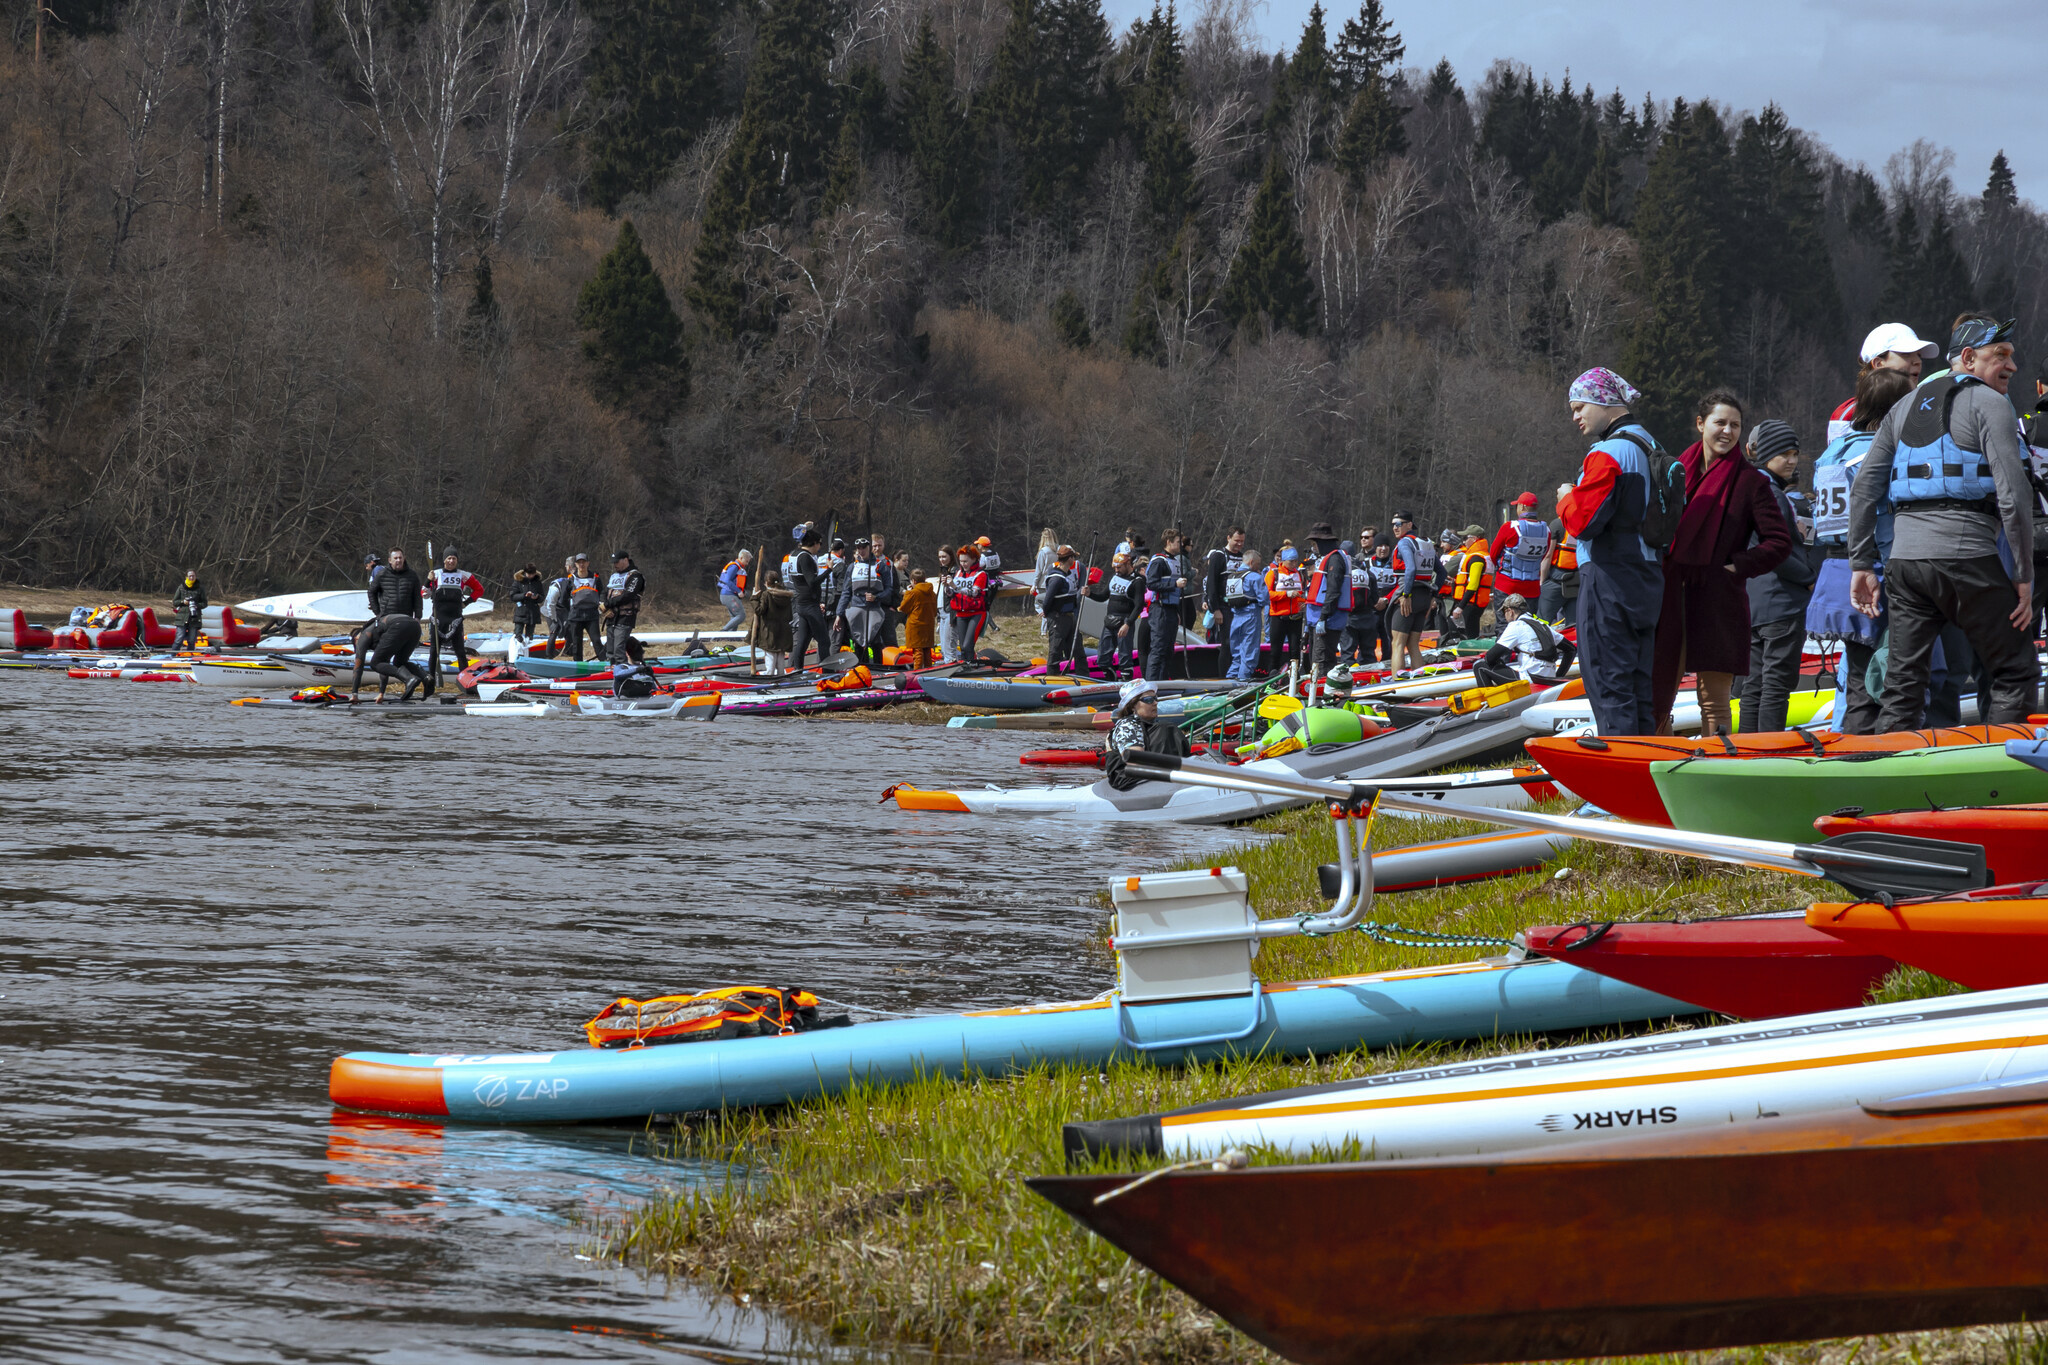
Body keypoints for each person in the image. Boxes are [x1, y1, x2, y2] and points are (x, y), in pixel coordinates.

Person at [1850, 316, 2037, 729]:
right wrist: (2023, 574)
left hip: (1906, 568)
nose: (2012, 366)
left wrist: (1861, 564)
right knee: (2014, 669)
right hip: (1967, 558)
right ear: (1969, 358)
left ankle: (1890, 776)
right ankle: (2001, 774)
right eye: (2000, 356)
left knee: (1902, 685)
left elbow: (1864, 489)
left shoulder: (1902, 406)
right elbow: (2013, 494)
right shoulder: (1990, 403)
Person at [1649, 390, 1792, 737]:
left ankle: (1719, 768)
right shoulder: (1673, 472)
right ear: (1701, 424)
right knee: (1658, 696)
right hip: (1669, 595)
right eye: (1720, 422)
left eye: (1735, 425)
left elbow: (1779, 541)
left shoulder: (1751, 482)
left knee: (1713, 701)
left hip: (1718, 600)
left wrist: (1737, 566)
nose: (1727, 431)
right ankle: (1657, 768)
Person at [1558, 367, 1667, 737]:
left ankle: (1620, 788)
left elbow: (1583, 523)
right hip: (1648, 579)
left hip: (1608, 580)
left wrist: (1565, 498)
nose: (1575, 416)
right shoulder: (1652, 445)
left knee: (1609, 687)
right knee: (1639, 690)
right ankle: (1645, 778)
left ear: (1602, 400)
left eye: (1578, 406)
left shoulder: (1608, 453)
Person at [1806, 367, 1913, 733]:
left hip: (1835, 570)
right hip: (1874, 572)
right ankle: (1871, 760)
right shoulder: (1884, 451)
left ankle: (1854, 755)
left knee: (1857, 684)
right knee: (1883, 685)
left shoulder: (1832, 452)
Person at [1739, 420, 1820, 734]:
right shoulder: (1769, 492)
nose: (1792, 460)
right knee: (1776, 685)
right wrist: (1810, 579)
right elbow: (1776, 550)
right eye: (1783, 453)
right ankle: (1768, 753)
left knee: (1753, 685)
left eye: (1795, 453)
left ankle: (1745, 751)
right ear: (1766, 454)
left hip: (1755, 603)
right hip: (1782, 603)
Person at [1827, 323, 1939, 444]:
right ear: (1879, 364)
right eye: (1906, 354)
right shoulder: (1848, 414)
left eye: (1919, 355)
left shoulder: (1929, 406)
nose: (1918, 361)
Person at [1103, 679, 1193, 792]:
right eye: (1148, 700)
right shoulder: (1127, 726)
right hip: (1135, 782)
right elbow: (1135, 761)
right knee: (1166, 729)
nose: (1155, 703)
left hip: (1160, 775)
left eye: (1155, 698)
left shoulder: (1150, 725)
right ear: (1132, 706)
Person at [1474, 594, 1577, 687]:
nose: (1504, 616)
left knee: (1479, 665)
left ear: (1510, 611)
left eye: (1503, 612)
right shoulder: (1542, 625)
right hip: (1549, 679)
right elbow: (1571, 649)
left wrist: (1499, 663)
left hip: (1530, 680)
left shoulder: (1516, 625)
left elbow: (1490, 658)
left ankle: (1488, 705)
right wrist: (1558, 676)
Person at [836, 538, 897, 669]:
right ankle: (860, 668)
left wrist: (876, 596)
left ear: (869, 548)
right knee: (858, 642)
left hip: (874, 608)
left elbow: (889, 589)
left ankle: (878, 669)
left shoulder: (881, 566)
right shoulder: (852, 567)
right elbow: (846, 592)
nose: (861, 550)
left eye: (864, 547)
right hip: (856, 607)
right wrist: (839, 614)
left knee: (875, 641)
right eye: (859, 548)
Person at [1386, 512, 1435, 670]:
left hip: (1409, 596)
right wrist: (1433, 596)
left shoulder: (1404, 543)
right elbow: (1440, 573)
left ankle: (1397, 685)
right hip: (1424, 597)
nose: (1395, 527)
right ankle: (1418, 683)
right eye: (1393, 524)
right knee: (1413, 644)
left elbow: (1411, 569)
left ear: (1409, 525)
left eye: (1398, 524)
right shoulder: (1425, 543)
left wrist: (1406, 595)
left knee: (1397, 643)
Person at [1303, 522, 1353, 673]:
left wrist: (1323, 617)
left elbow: (1333, 591)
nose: (1313, 548)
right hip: (1317, 620)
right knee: (1316, 661)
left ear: (1322, 542)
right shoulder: (1327, 559)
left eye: (1314, 544)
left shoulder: (1335, 559)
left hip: (1328, 621)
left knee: (1321, 662)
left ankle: (1322, 693)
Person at [1143, 529, 1189, 681]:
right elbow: (1151, 583)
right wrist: (1174, 583)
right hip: (1160, 609)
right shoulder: (1158, 561)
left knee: (1169, 650)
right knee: (1158, 649)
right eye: (1178, 542)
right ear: (1169, 542)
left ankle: (1163, 684)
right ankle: (1151, 684)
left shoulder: (1175, 561)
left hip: (1171, 609)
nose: (1181, 545)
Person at [427, 548, 483, 672]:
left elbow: (479, 590)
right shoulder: (435, 574)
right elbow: (424, 593)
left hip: (455, 619)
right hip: (438, 619)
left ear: (457, 561)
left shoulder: (463, 575)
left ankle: (465, 681)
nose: (451, 561)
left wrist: (466, 603)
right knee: (433, 652)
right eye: (449, 558)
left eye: (454, 558)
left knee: (460, 652)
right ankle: (429, 681)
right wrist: (428, 580)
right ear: (444, 560)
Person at [787, 528, 833, 669]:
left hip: (802, 603)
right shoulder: (805, 557)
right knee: (824, 641)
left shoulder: (794, 554)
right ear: (813, 543)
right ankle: (827, 673)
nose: (819, 547)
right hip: (809, 605)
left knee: (803, 641)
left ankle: (797, 670)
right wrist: (828, 570)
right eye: (819, 544)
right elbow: (812, 582)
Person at [1491, 493, 1549, 605]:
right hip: (1532, 588)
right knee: (1527, 622)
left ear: (1522, 507)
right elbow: (1543, 555)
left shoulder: (1509, 527)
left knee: (1504, 622)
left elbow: (1494, 554)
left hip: (1506, 585)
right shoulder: (1546, 530)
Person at [1535, 488, 1580, 627]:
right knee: (1573, 624)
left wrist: (1542, 582)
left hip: (1556, 580)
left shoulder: (1557, 524)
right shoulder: (1582, 523)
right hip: (1576, 581)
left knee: (1542, 621)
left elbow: (1548, 556)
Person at [1038, 544, 1084, 671]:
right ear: (1069, 559)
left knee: (1077, 649)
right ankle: (1052, 677)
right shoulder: (1056, 579)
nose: (1074, 560)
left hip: (1070, 617)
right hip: (1058, 618)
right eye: (1073, 557)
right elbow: (1047, 599)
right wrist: (1047, 612)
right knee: (1056, 651)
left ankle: (1081, 675)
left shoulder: (1066, 575)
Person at [1226, 548, 1268, 681]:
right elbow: (1265, 598)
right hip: (1251, 616)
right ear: (1251, 562)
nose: (1258, 566)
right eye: (1258, 564)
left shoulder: (1232, 577)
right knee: (1249, 654)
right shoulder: (1254, 577)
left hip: (1236, 617)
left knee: (1237, 654)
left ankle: (1229, 681)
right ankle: (1242, 685)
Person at [1202, 526, 1248, 649]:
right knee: (1227, 644)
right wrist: (1215, 609)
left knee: (1240, 643)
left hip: (1240, 607)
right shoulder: (1218, 556)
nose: (1239, 544)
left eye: (1242, 541)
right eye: (1237, 540)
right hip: (1224, 606)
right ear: (1228, 538)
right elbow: (1211, 583)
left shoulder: (1243, 558)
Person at [1101, 552, 1142, 679]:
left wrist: (1128, 624)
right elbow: (1103, 596)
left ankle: (1126, 679)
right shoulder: (1114, 577)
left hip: (1124, 621)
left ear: (1128, 564)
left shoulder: (1137, 581)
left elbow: (1139, 605)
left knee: (1124, 656)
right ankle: (1109, 680)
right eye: (1115, 567)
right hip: (1110, 620)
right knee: (1103, 657)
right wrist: (1089, 593)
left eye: (1119, 567)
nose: (1116, 570)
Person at [1264, 546, 1306, 670]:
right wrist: (1285, 594)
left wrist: (1303, 602)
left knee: (1294, 650)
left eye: (1295, 561)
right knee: (1276, 649)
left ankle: (1294, 676)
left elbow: (1301, 593)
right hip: (1278, 616)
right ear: (1283, 561)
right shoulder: (1273, 574)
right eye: (1291, 561)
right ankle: (1272, 676)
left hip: (1295, 617)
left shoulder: (1298, 574)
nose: (1294, 564)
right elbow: (1267, 594)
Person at [949, 543, 993, 659]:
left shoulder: (981, 574)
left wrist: (955, 587)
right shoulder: (958, 573)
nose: (963, 565)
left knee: (968, 645)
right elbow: (951, 593)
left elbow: (974, 592)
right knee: (962, 647)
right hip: (961, 613)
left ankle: (972, 666)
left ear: (974, 559)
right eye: (961, 561)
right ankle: (965, 667)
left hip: (976, 613)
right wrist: (947, 587)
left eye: (965, 561)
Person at [601, 550, 645, 662]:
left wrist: (607, 604)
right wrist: (604, 607)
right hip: (611, 616)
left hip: (626, 616)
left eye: (617, 562)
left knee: (618, 650)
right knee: (610, 650)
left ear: (626, 560)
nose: (615, 565)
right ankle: (610, 672)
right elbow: (605, 592)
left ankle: (623, 673)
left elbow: (628, 595)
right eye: (613, 562)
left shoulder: (635, 576)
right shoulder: (614, 576)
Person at [1451, 524, 1493, 638]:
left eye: (1465, 538)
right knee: (1470, 633)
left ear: (1474, 539)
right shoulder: (1480, 555)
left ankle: (1472, 654)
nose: (1463, 542)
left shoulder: (1477, 558)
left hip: (1471, 603)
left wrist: (1460, 606)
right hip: (1474, 602)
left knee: (1470, 636)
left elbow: (1473, 584)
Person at [749, 571, 793, 674]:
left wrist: (754, 598)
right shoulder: (786, 595)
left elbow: (759, 610)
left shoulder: (766, 594)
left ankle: (770, 678)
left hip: (770, 631)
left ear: (766, 583)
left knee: (770, 656)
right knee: (780, 656)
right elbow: (790, 615)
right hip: (784, 630)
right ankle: (781, 676)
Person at [900, 568, 938, 668]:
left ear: (913, 581)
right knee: (927, 651)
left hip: (915, 626)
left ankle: (917, 674)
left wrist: (908, 592)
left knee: (917, 652)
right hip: (928, 625)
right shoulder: (932, 593)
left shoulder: (913, 593)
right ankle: (929, 672)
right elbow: (934, 611)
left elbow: (904, 608)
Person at [542, 555, 575, 656]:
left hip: (563, 610)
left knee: (569, 631)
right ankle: (549, 656)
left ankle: (567, 653)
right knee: (554, 630)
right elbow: (550, 605)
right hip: (550, 610)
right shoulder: (556, 588)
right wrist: (554, 619)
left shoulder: (573, 584)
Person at [171, 570, 206, 650]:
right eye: (190, 576)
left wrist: (196, 605)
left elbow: (204, 603)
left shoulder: (200, 588)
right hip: (182, 617)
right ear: (186, 577)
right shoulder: (181, 587)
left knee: (192, 640)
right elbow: (175, 602)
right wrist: (183, 602)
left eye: (193, 576)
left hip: (194, 617)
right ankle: (172, 655)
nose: (191, 577)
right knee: (179, 638)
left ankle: (190, 656)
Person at [509, 563, 545, 643]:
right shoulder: (518, 582)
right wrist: (524, 595)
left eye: (533, 574)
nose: (531, 576)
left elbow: (542, 597)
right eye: (529, 574)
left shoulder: (537, 582)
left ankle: (528, 651)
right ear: (525, 572)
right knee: (517, 636)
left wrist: (537, 597)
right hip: (521, 612)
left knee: (529, 637)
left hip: (533, 612)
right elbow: (513, 596)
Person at [933, 545, 957, 661]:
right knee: (943, 645)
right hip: (942, 610)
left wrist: (949, 583)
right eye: (939, 557)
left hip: (950, 611)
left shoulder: (955, 572)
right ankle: (949, 663)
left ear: (950, 557)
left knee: (949, 644)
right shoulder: (942, 571)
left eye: (944, 557)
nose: (941, 559)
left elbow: (954, 593)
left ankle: (953, 666)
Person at [717, 551, 752, 631]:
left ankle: (731, 637)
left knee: (734, 617)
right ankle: (722, 632)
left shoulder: (738, 567)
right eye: (746, 561)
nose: (747, 564)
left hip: (727, 595)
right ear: (741, 558)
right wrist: (739, 591)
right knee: (741, 616)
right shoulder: (734, 567)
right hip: (728, 595)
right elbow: (727, 580)